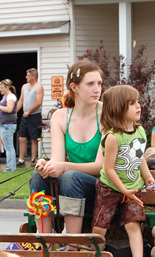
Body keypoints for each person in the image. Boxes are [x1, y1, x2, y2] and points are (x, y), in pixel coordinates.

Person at [31, 60, 105, 235]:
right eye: (90, 84)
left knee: (71, 177)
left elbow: (100, 167)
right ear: (74, 87)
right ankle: (45, 243)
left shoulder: (107, 113)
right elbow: (57, 160)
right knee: (37, 177)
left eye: (100, 83)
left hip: (102, 185)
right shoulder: (60, 116)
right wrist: (47, 165)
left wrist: (63, 166)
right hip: (72, 184)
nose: (97, 89)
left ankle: (72, 244)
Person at [92, 85, 155, 257]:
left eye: (138, 102)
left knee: (133, 222)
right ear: (118, 109)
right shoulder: (113, 137)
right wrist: (123, 190)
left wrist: (148, 176)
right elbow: (109, 169)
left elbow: (140, 157)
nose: (139, 106)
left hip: (133, 187)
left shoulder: (140, 131)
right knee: (100, 226)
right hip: (109, 187)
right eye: (132, 103)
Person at [18, 68, 44, 166]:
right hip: (25, 115)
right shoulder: (24, 86)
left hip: (35, 115)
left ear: (33, 76)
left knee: (34, 138)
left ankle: (33, 159)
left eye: (28, 75)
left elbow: (38, 102)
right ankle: (21, 160)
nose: (26, 77)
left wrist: (29, 111)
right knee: (22, 138)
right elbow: (21, 100)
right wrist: (15, 111)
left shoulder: (38, 87)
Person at [0, 79, 18, 172]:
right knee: (9, 146)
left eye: (1, 87)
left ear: (7, 87)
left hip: (7, 125)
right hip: (4, 124)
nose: (0, 89)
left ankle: (10, 167)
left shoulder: (11, 97)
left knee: (9, 147)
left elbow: (9, 109)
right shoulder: (5, 97)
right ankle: (11, 166)